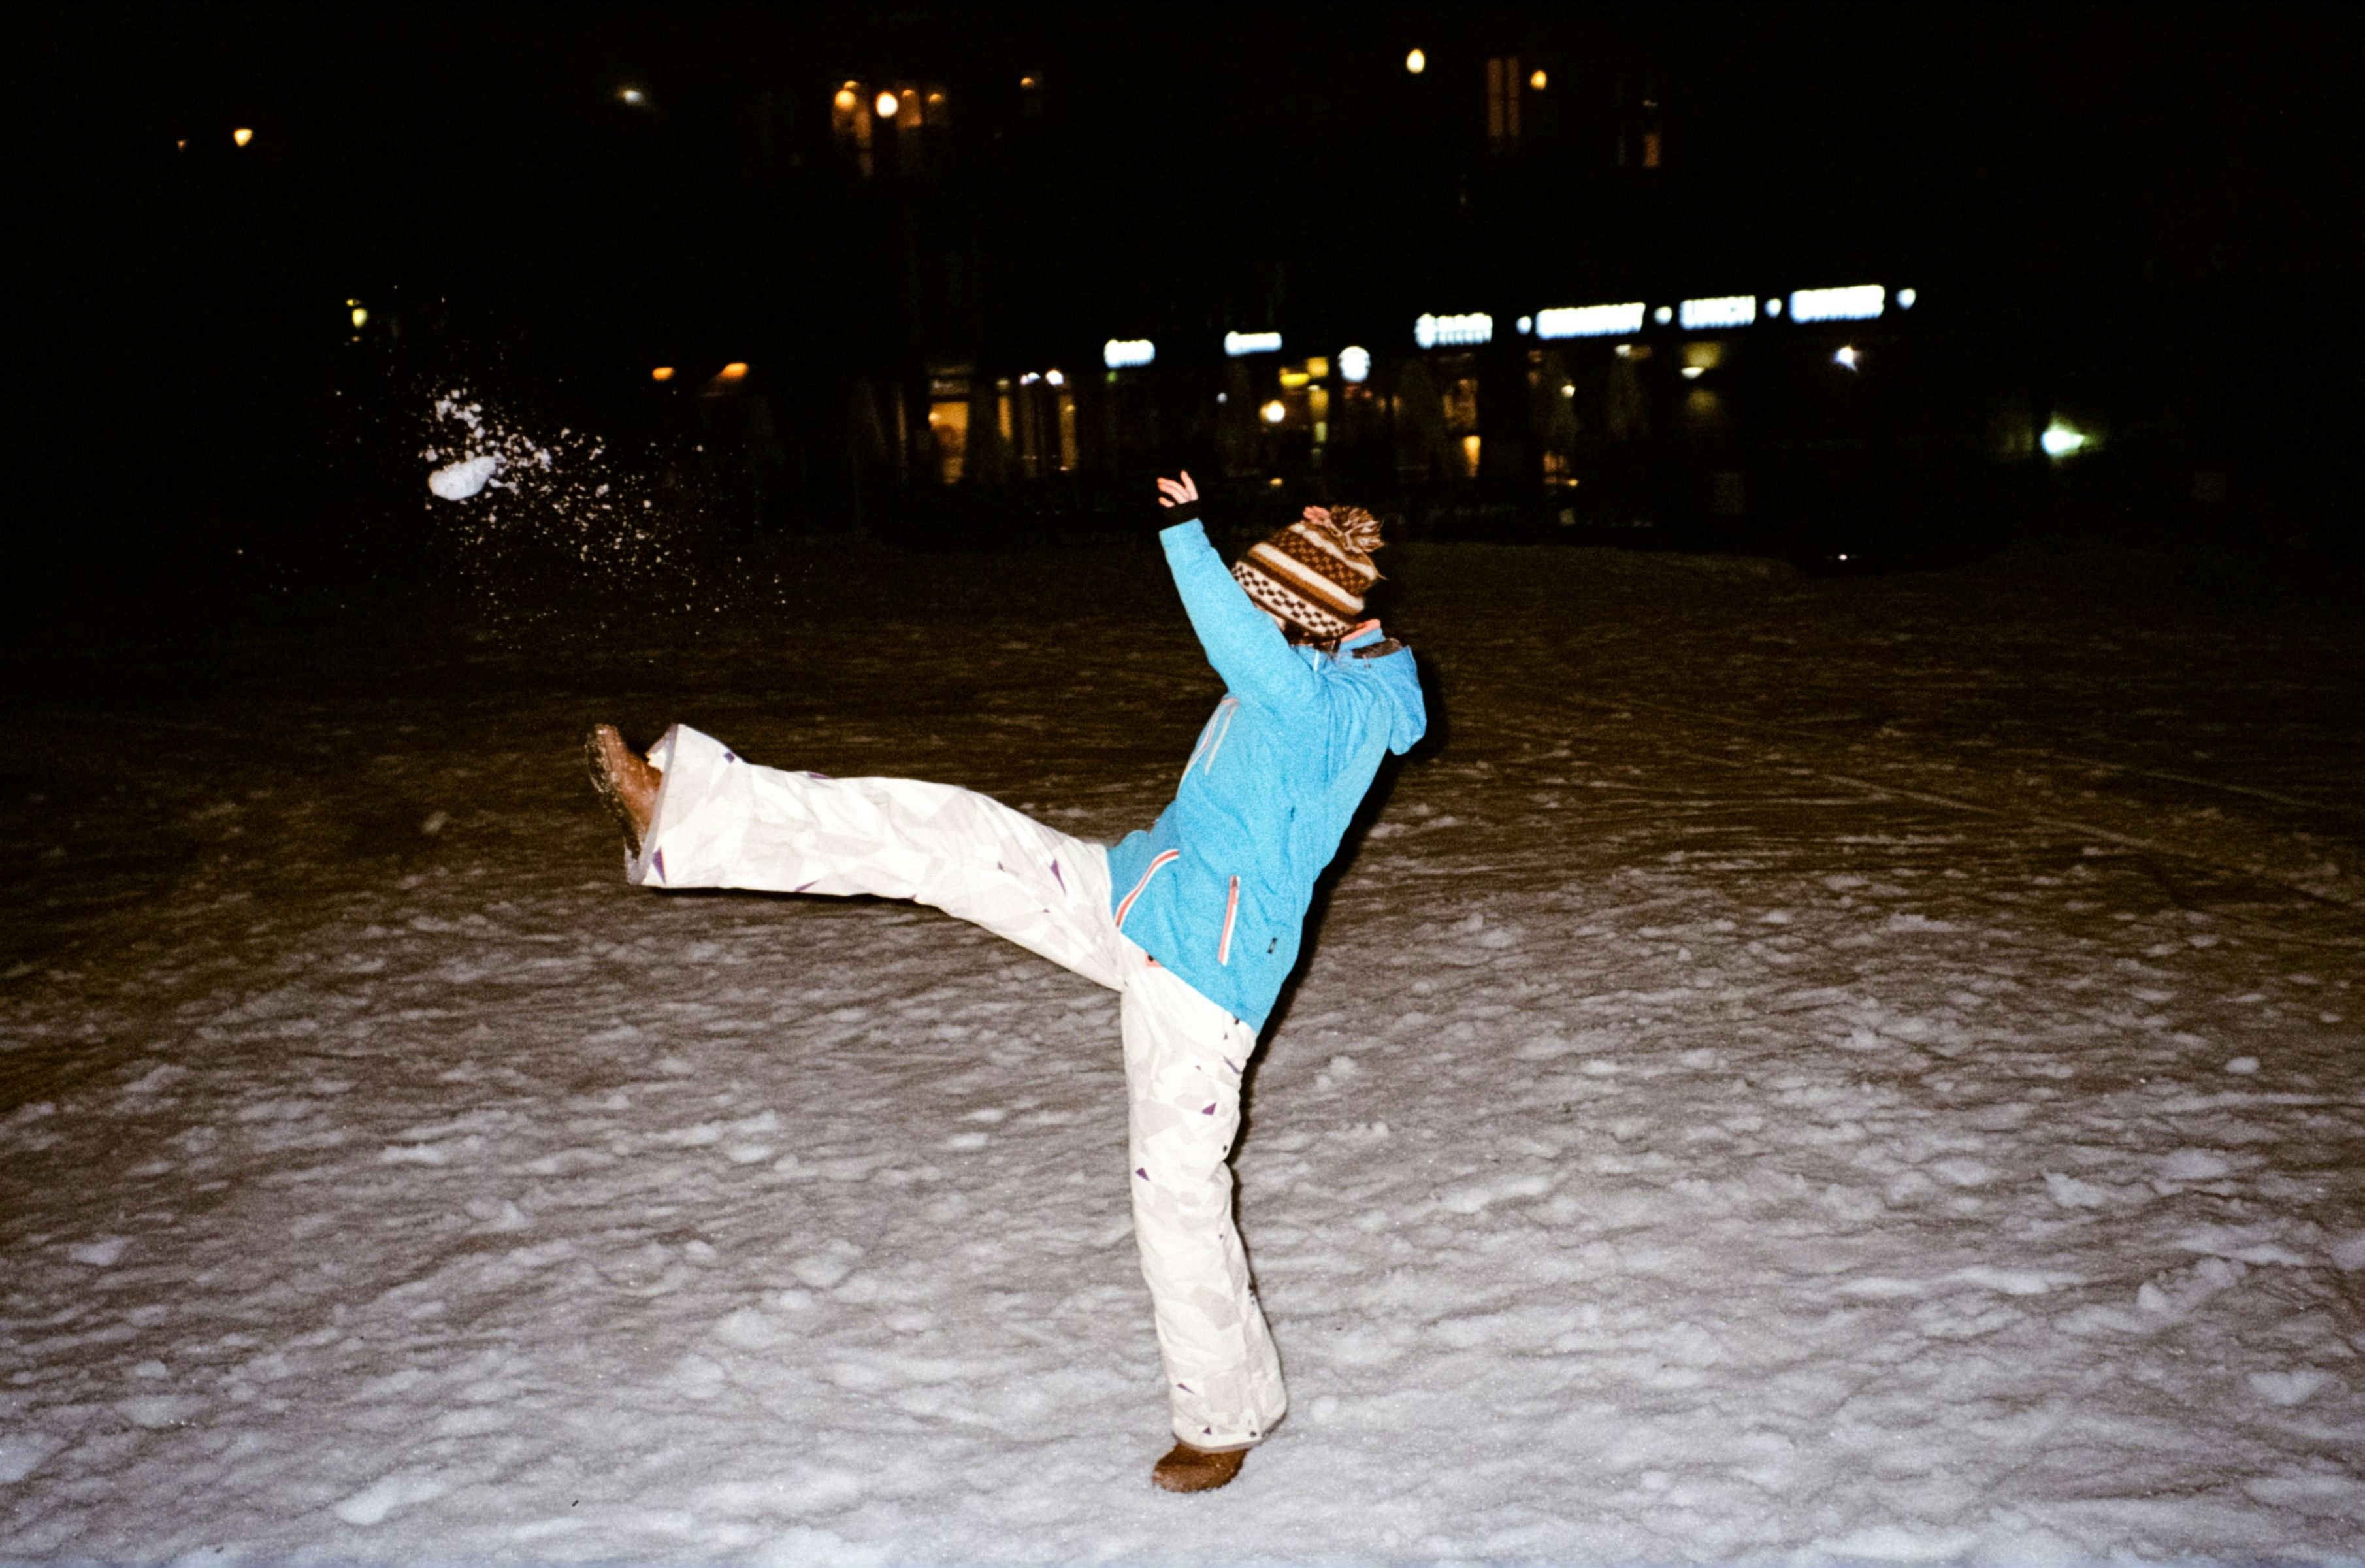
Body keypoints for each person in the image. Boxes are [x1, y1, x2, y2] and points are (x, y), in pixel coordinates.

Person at [583, 470, 1426, 1492]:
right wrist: (1340, 599)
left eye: (1266, 602)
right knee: (952, 830)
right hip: (1133, 894)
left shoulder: (1300, 703)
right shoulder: (1354, 674)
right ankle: (687, 812)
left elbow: (1241, 641)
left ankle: (1223, 1417)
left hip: (1203, 976)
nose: (1253, 615)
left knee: (1178, 1193)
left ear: (1290, 621)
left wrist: (1185, 535)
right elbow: (1364, 658)